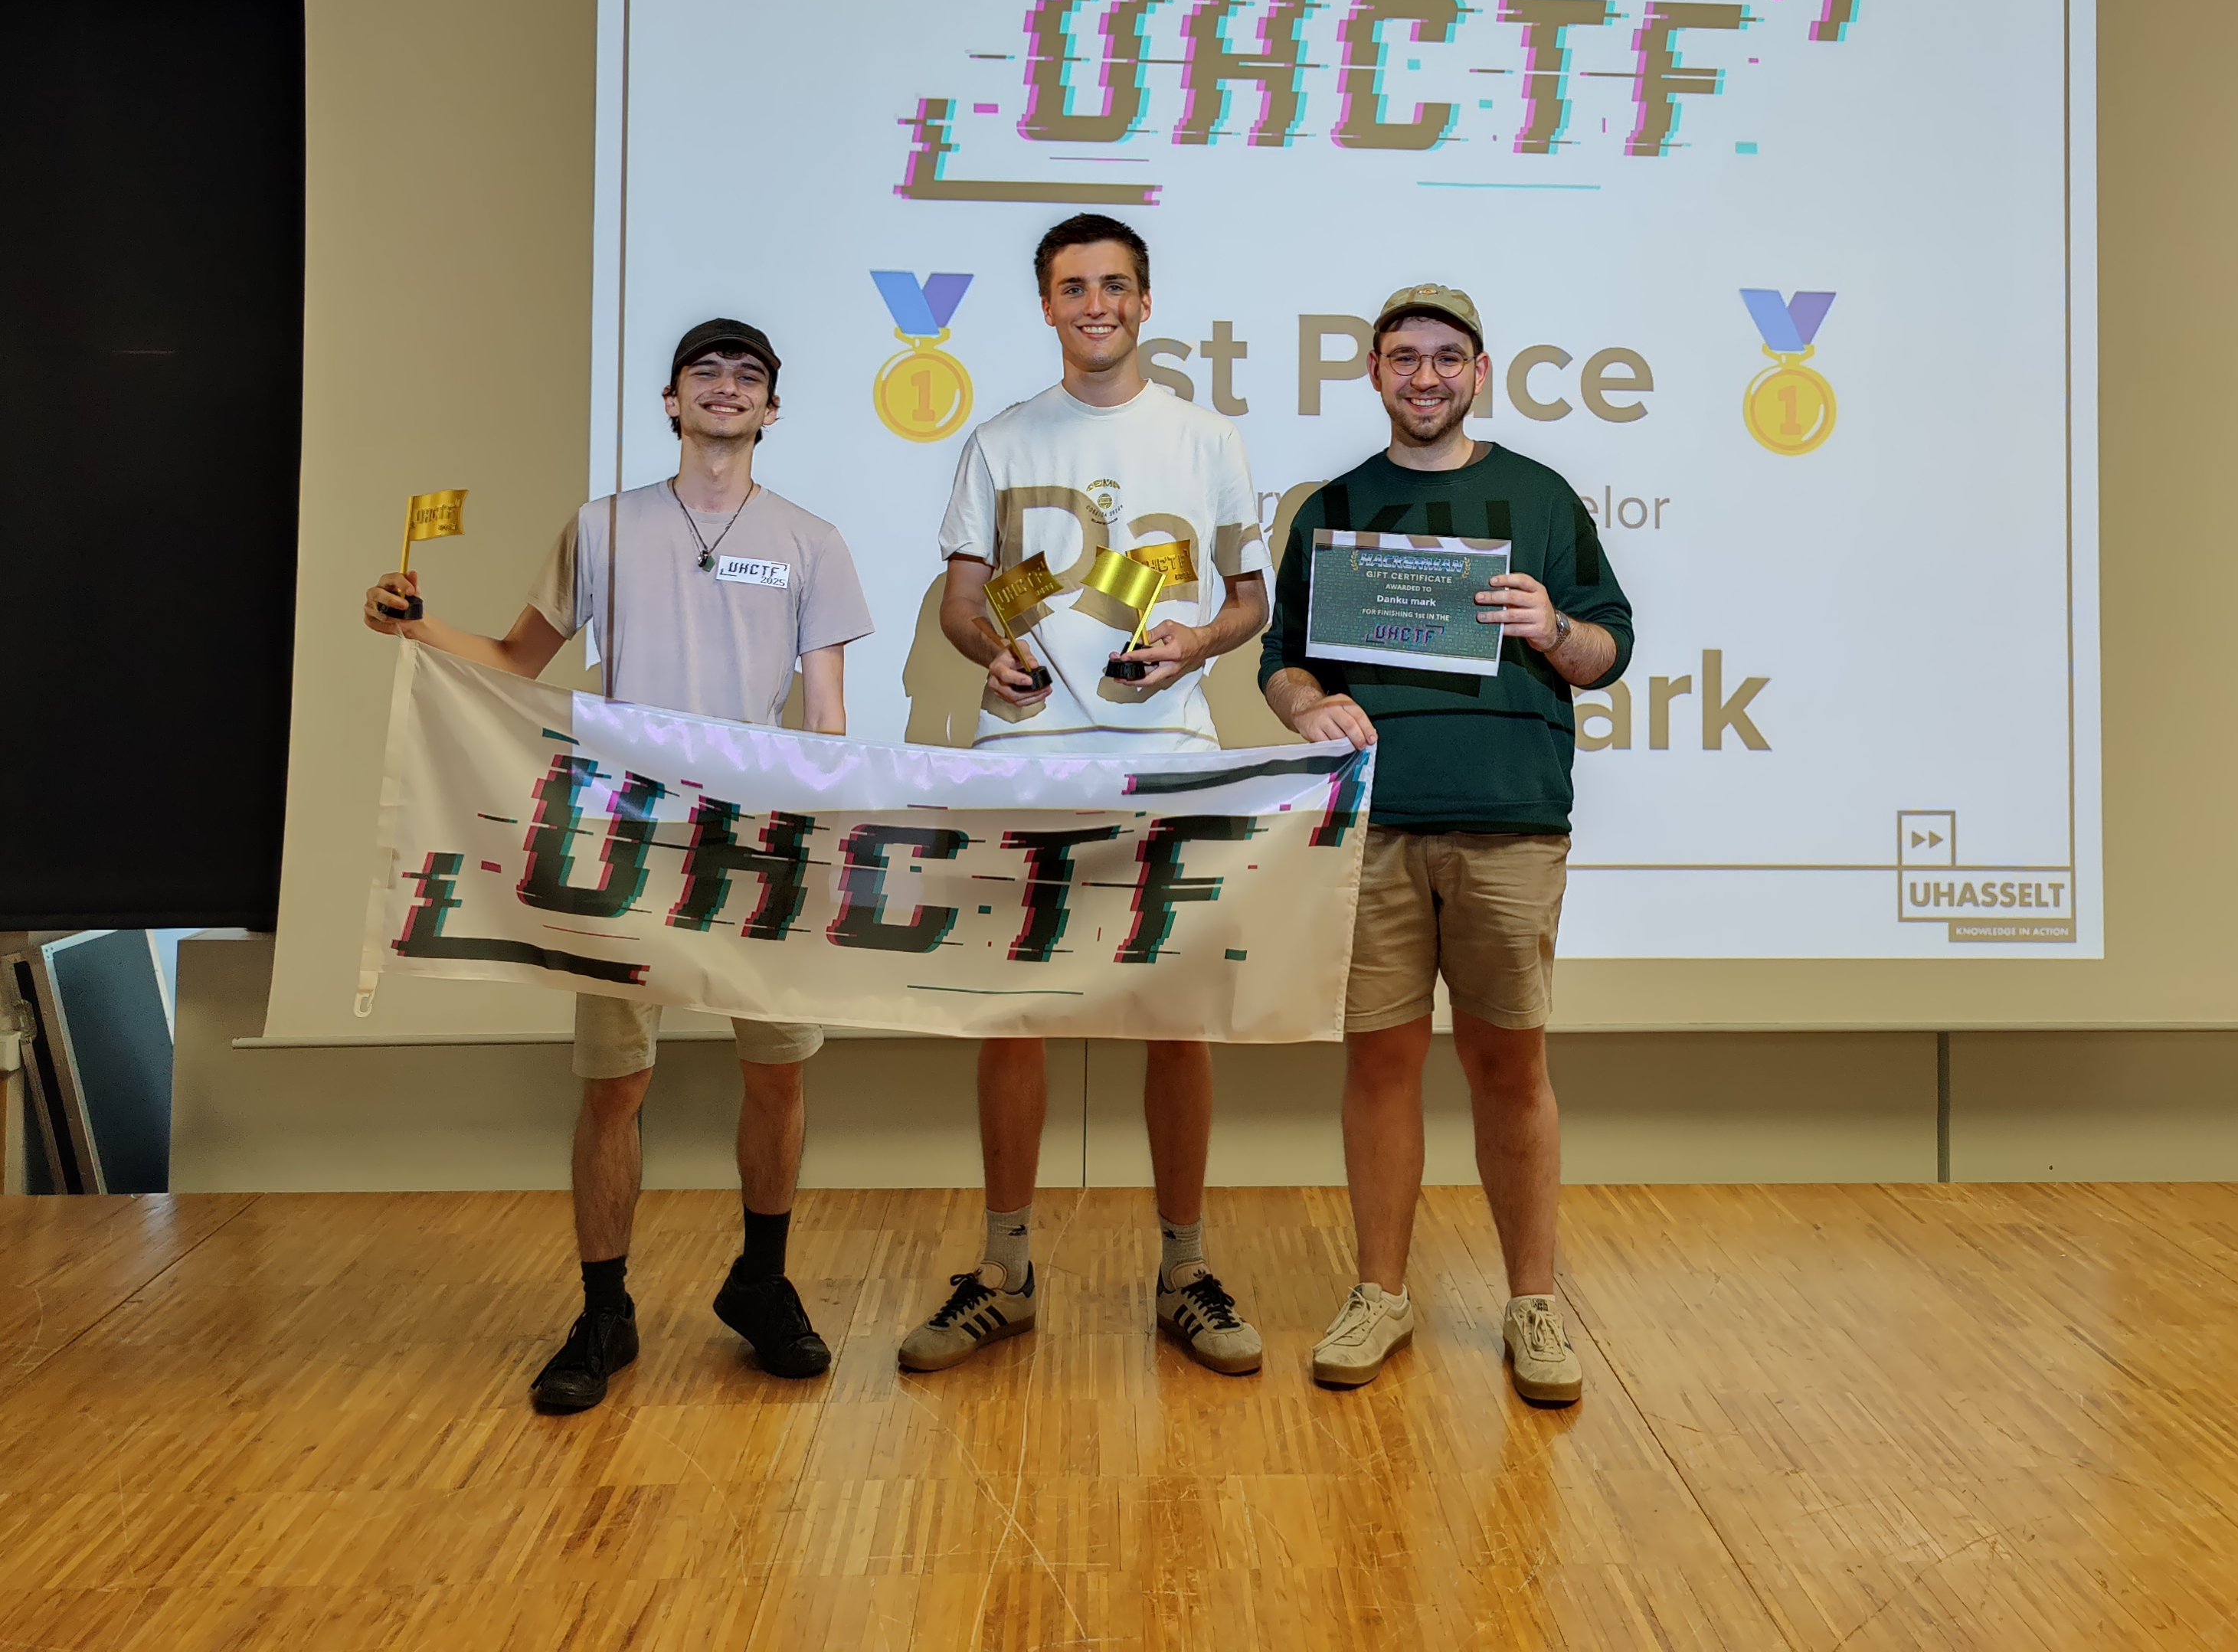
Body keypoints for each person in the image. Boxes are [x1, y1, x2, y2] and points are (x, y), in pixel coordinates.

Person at [362, 316, 873, 1414]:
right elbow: (516, 661)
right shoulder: (600, 528)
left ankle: (761, 1282)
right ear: (672, 401)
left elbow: (826, 715)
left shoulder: (814, 541)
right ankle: (604, 1310)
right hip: (627, 838)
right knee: (614, 1084)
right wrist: (418, 628)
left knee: (778, 1073)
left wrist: (821, 835)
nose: (727, 387)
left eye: (748, 375)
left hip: (757, 843)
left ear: (772, 407)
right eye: (705, 372)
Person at [903, 213, 1271, 1377]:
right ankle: (1006, 1273)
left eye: (1115, 286)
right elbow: (964, 602)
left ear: (1146, 302)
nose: (1096, 305)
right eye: (1073, 288)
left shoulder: (1208, 437)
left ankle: (1184, 1272)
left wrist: (1197, 639)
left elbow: (1249, 601)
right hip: (1029, 756)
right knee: (1017, 1014)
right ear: (1048, 306)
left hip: (1169, 752)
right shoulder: (1000, 440)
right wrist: (989, 650)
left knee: (1174, 1016)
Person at [1259, 283, 1633, 1405]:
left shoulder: (1542, 496)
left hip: (1511, 822)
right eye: (1404, 357)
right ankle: (1381, 1294)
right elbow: (1282, 661)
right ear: (1374, 371)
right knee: (1380, 1063)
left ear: (1480, 371)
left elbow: (1608, 651)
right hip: (1372, 827)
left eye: (1446, 357)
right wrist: (1305, 705)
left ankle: (1534, 1304)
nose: (1426, 376)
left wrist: (1552, 628)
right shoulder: (1332, 508)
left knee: (1511, 1065)